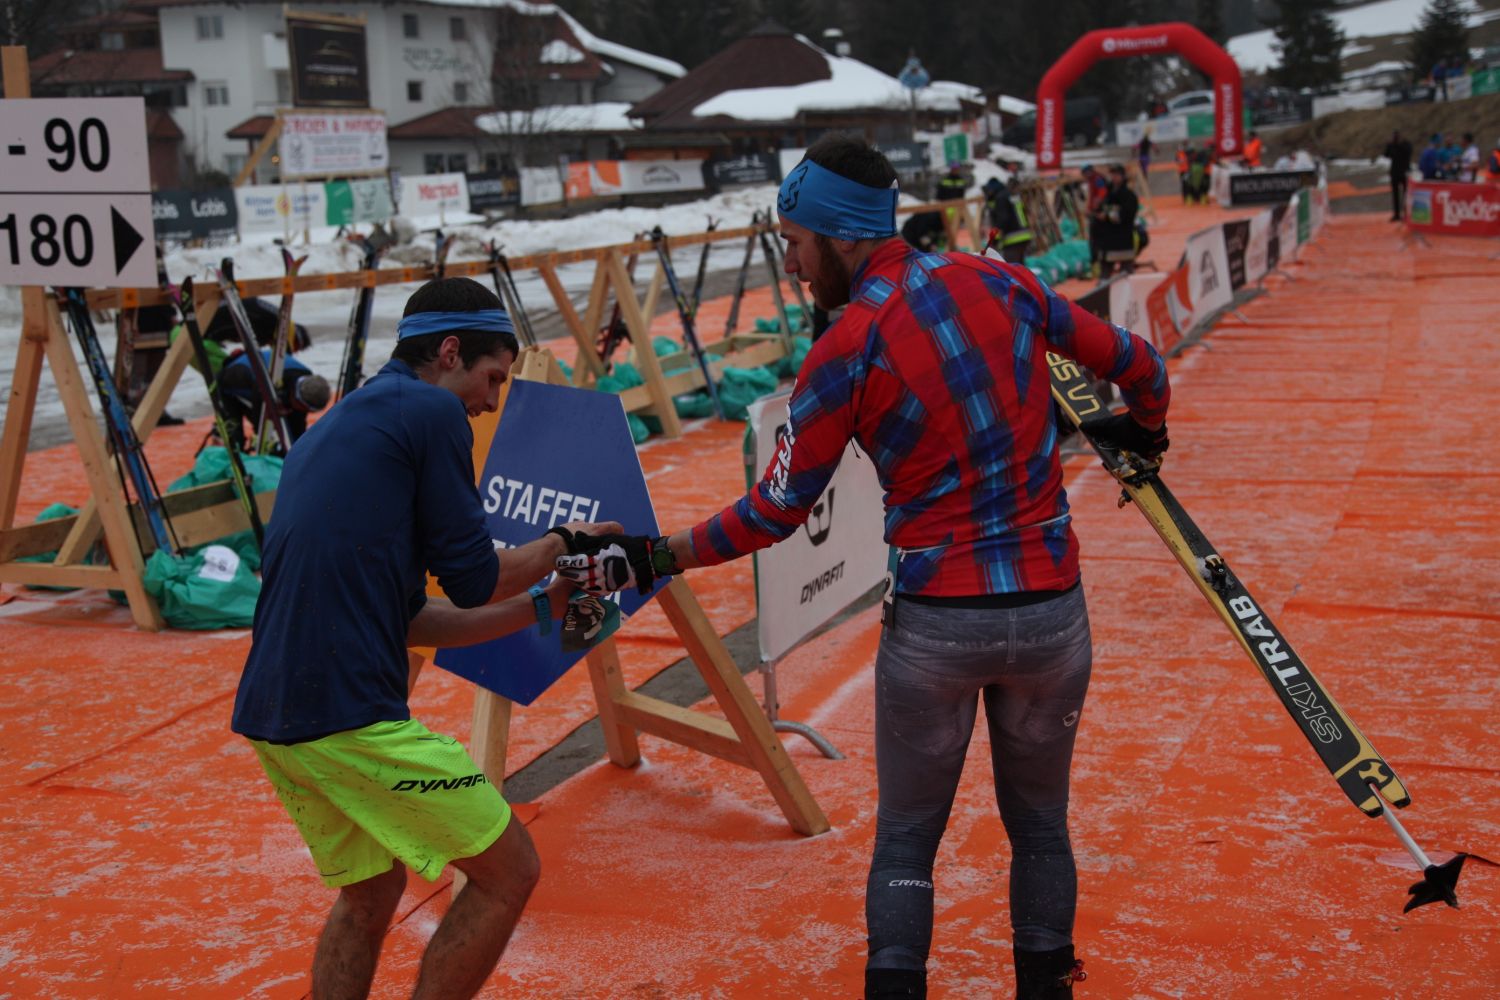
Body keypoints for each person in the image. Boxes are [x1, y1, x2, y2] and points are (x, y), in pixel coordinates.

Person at [555, 133, 1171, 1000]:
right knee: (1041, 829)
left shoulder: (847, 345)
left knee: (907, 842)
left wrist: (650, 557)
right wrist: (1143, 435)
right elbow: (1142, 366)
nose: (793, 267)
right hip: (1050, 615)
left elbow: (772, 512)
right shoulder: (1005, 282)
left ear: (841, 235)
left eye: (796, 244)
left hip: (938, 625)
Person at [231, 276, 619, 1000]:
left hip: (274, 714)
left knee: (370, 894)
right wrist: (565, 541)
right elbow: (473, 579)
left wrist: (546, 602)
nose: (492, 401)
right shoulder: (432, 412)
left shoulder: (350, 423)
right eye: (492, 377)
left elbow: (412, 621)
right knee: (510, 872)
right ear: (449, 353)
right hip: (346, 716)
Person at [219, 347, 331, 450]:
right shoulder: (265, 386)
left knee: (293, 423)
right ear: (298, 399)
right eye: (306, 409)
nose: (307, 412)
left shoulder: (306, 378)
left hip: (267, 376)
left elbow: (298, 424)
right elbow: (261, 424)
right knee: (238, 435)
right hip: (234, 380)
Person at [1094, 164, 1140, 280]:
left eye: (1117, 175)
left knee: (1126, 276)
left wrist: (1107, 216)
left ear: (1123, 176)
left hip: (1123, 239)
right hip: (1107, 241)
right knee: (1105, 275)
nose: (1114, 177)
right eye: (1112, 175)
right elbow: (1099, 209)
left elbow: (1127, 215)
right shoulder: (1107, 195)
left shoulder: (1128, 196)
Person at [984, 176, 1032, 264]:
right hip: (1025, 235)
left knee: (1011, 267)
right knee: (1020, 267)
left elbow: (1003, 219)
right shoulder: (1011, 195)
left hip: (1013, 238)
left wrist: (995, 239)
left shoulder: (1000, 198)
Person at [1383, 130, 1413, 221]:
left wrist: (1400, 144)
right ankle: (1396, 214)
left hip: (1404, 172)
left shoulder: (1406, 144)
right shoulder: (1392, 145)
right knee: (1395, 195)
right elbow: (1386, 155)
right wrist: (1389, 145)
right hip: (1395, 172)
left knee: (1406, 195)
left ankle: (1406, 214)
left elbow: (1408, 152)